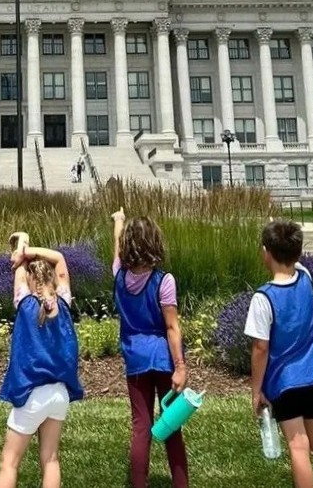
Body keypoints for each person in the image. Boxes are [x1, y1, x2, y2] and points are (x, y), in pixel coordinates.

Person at [246, 219, 313, 488]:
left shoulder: (263, 298)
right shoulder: (306, 279)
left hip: (285, 383)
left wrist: (256, 390)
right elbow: (294, 260)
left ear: (265, 252)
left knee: (298, 447)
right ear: (298, 252)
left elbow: (260, 348)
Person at [0, 233, 83, 488]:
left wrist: (22, 243)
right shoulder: (64, 302)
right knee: (51, 459)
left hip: (32, 394)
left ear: (31, 280)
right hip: (59, 394)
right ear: (54, 279)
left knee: (9, 462)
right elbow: (59, 258)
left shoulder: (24, 301)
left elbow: (19, 267)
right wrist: (30, 247)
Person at [110, 208, 189, 488]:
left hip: (135, 360)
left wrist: (118, 222)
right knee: (172, 427)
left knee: (140, 427)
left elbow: (116, 251)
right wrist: (180, 366)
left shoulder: (119, 275)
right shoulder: (164, 281)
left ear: (127, 246)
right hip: (164, 361)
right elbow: (171, 328)